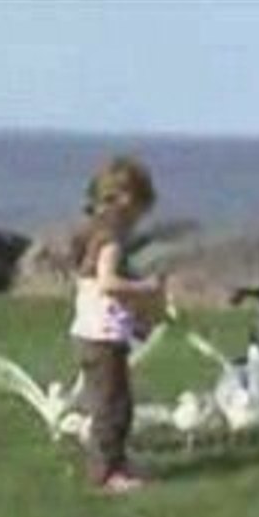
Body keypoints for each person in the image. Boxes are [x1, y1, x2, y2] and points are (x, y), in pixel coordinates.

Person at [69, 156, 163, 494]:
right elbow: (108, 283)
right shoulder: (110, 240)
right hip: (101, 337)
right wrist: (146, 289)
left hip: (97, 333)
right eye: (138, 211)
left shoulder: (94, 233)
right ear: (125, 201)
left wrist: (137, 318)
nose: (138, 222)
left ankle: (117, 461)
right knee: (111, 407)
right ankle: (106, 473)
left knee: (117, 403)